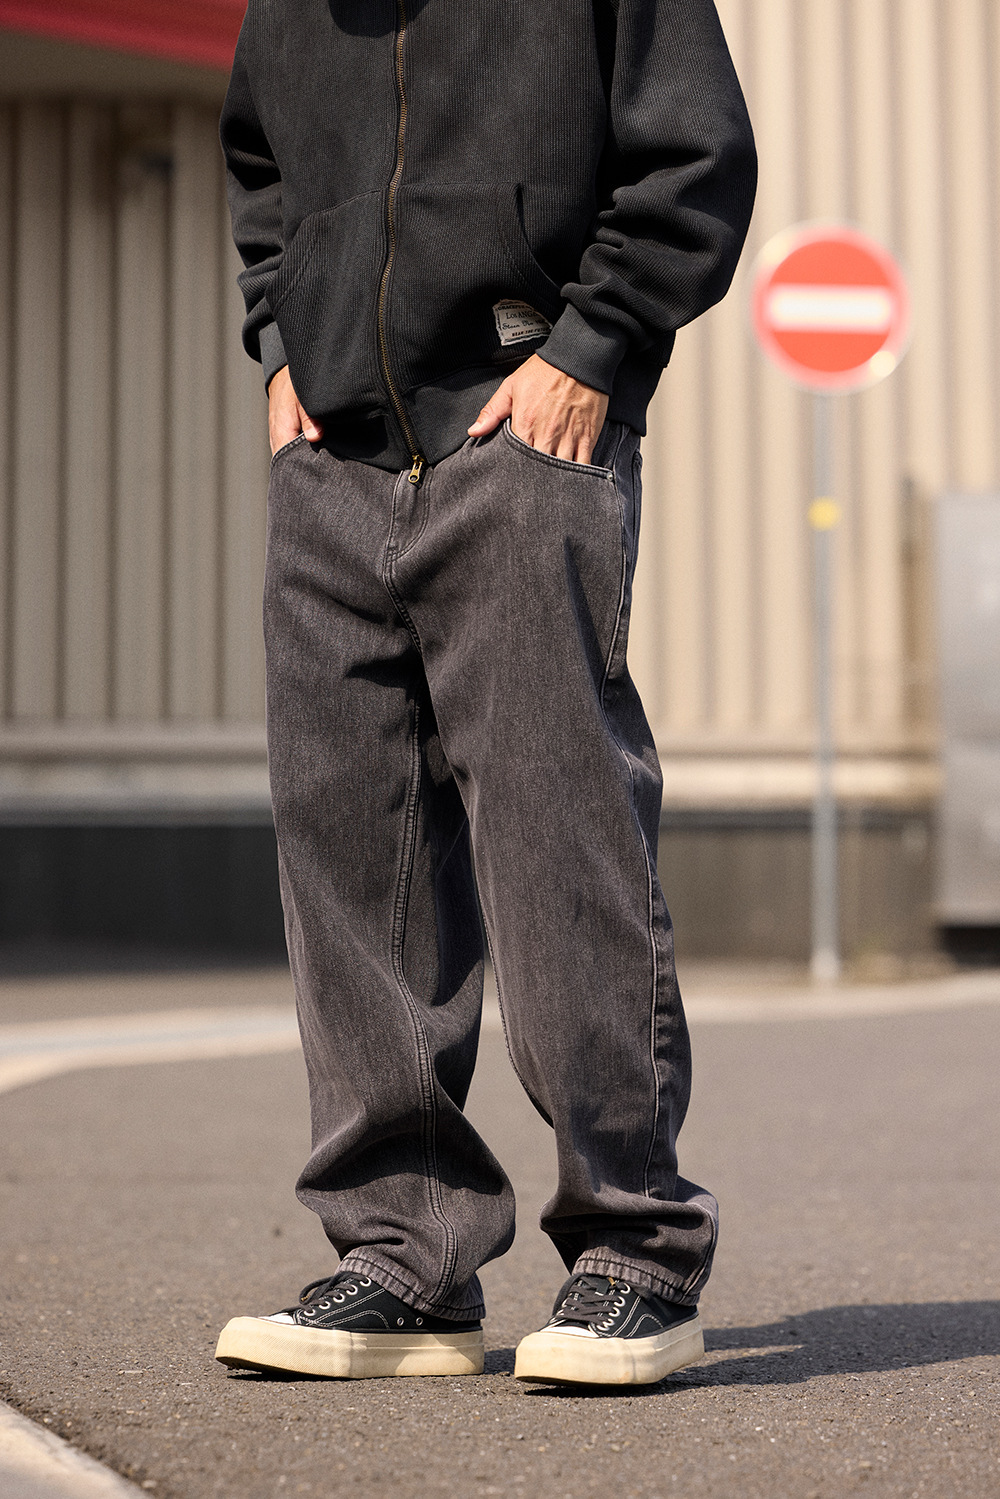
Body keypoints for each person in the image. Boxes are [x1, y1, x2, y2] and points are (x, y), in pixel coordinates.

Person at [214, 0, 755, 1387]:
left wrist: (592, 349)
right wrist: (283, 343)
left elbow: (695, 157)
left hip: (524, 438)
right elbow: (261, 170)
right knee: (349, 859)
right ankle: (404, 1254)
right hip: (332, 462)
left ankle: (634, 1251)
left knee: (561, 843)